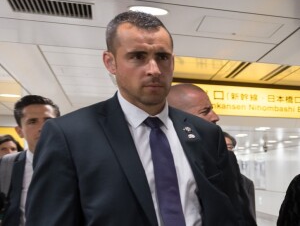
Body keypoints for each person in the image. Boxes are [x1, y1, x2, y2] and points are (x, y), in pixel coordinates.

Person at [26, 11, 244, 226]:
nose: (154, 69)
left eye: (162, 57)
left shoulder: (206, 134)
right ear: (110, 62)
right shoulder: (69, 135)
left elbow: (229, 212)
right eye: (138, 56)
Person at [168, 83, 257, 225]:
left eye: (212, 109)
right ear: (178, 116)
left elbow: (241, 215)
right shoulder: (152, 157)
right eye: (205, 111)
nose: (215, 117)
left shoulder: (224, 159)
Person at [0, 95, 60, 226]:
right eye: (32, 121)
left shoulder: (80, 164)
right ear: (19, 131)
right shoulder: (6, 165)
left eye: (48, 120)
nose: (42, 127)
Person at [223, 131, 256, 221]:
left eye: (229, 147)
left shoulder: (246, 183)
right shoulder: (200, 178)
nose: (226, 151)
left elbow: (250, 217)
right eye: (221, 146)